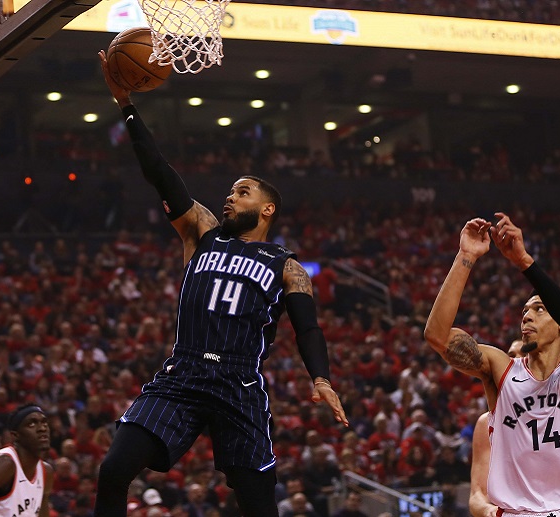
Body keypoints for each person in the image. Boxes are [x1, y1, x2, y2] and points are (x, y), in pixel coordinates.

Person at [94, 51, 348, 517]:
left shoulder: (285, 265)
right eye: (230, 191)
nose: (229, 197)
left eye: (242, 192)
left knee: (258, 506)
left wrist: (321, 379)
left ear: (267, 209)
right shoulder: (202, 232)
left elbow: (307, 329)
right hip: (184, 374)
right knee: (113, 469)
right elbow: (160, 173)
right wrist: (125, 104)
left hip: (239, 383)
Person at [424, 213, 560, 517]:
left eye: (539, 309)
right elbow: (437, 337)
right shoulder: (501, 368)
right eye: (524, 310)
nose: (526, 315)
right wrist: (465, 256)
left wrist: (524, 262)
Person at [469, 340, 560, 517]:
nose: (516, 361)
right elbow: (477, 495)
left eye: (522, 356)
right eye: (511, 357)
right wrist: (488, 510)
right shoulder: (486, 423)